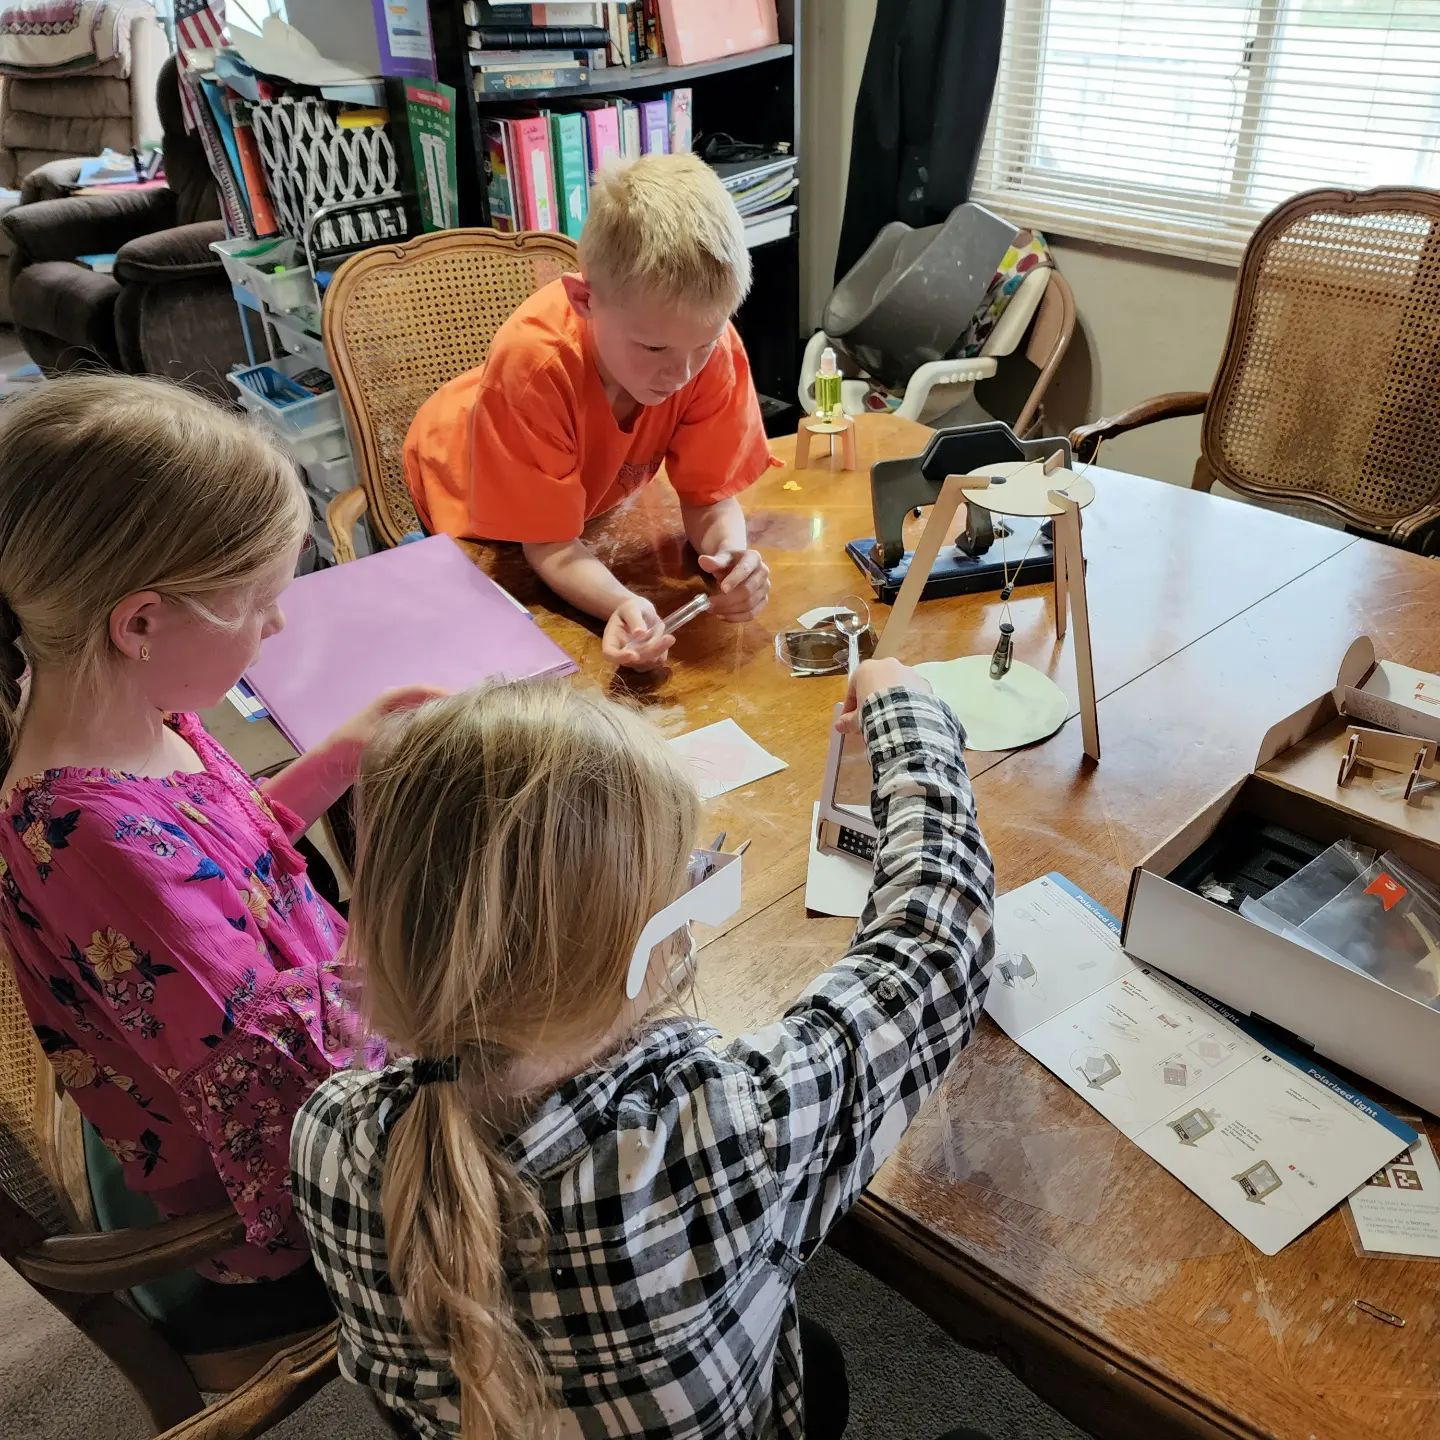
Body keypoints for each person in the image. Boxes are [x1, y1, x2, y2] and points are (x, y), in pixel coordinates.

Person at [291, 657, 996, 1439]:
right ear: (640, 951)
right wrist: (907, 711)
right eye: (693, 882)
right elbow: (934, 940)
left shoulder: (326, 1134)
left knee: (815, 1359)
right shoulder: (720, 1131)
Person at [0, 376, 434, 1286]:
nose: (279, 622)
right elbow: (273, 1085)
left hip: (316, 1047)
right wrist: (436, 978)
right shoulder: (87, 840)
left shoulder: (136, 714)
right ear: (142, 622)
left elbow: (222, 870)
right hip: (281, 1176)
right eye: (259, 600)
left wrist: (339, 756)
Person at [403, 153, 779, 671]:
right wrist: (618, 604)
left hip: (579, 499)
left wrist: (732, 558)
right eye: (652, 349)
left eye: (705, 344)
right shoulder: (534, 362)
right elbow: (550, 545)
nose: (682, 373)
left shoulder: (699, 345)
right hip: (467, 489)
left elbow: (710, 497)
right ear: (584, 301)